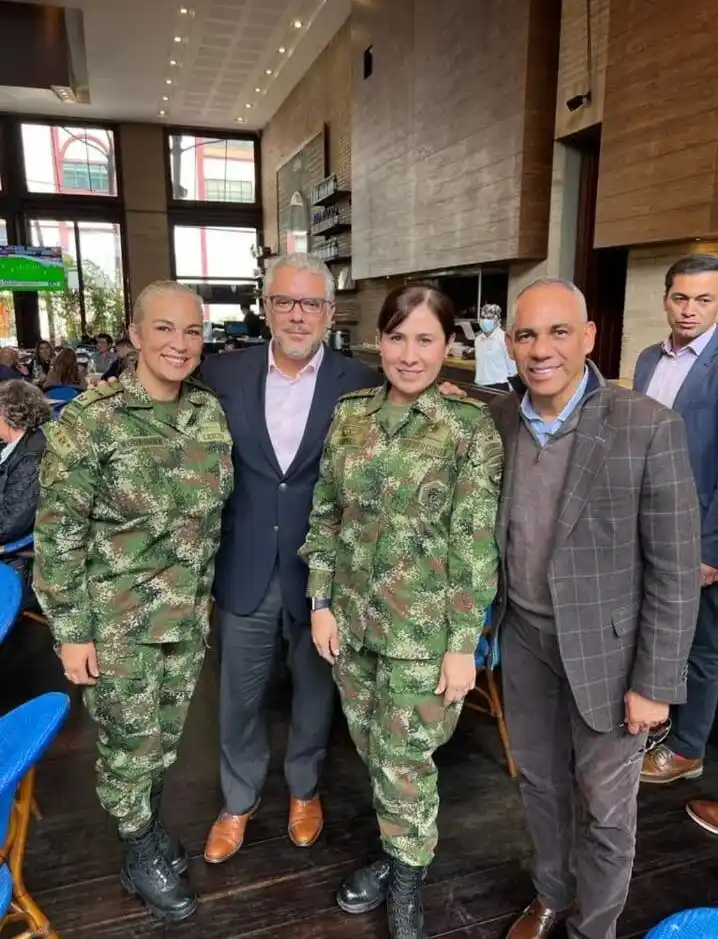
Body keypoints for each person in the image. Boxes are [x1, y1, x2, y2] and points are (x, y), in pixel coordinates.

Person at [490, 278, 701, 939]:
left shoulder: (647, 426)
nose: (541, 349)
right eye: (527, 335)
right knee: (539, 784)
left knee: (607, 809)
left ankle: (595, 928)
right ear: (509, 345)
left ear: (588, 337)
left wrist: (655, 683)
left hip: (612, 655)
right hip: (525, 638)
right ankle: (551, 893)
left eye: (559, 332)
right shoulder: (499, 420)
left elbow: (675, 569)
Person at [300, 284, 502, 939]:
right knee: (373, 750)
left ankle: (408, 884)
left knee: (405, 761)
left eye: (425, 339)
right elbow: (326, 514)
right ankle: (396, 855)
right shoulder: (351, 414)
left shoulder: (467, 426)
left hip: (424, 633)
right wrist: (321, 601)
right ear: (378, 341)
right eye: (397, 338)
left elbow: (475, 544)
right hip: (352, 624)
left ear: (446, 346)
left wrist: (462, 644)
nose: (409, 354)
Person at [33, 280, 234, 923]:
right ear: (136, 334)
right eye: (165, 329)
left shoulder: (208, 413)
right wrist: (71, 631)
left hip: (186, 617)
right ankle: (137, 850)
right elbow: (58, 534)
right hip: (118, 623)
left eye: (192, 331)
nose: (180, 344)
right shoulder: (90, 422)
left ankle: (145, 825)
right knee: (129, 745)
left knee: (163, 740)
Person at [199, 253, 383, 864]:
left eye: (310, 304)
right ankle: (238, 799)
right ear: (266, 307)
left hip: (324, 574)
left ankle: (304, 789)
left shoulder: (362, 382)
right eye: (285, 301)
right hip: (246, 565)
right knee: (238, 697)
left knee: (315, 693)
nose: (297, 315)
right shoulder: (222, 374)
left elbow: (414, 411)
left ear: (330, 313)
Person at [633, 253, 718, 788]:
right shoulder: (648, 359)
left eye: (704, 300)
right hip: (650, 525)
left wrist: (711, 549)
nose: (690, 309)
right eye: (681, 298)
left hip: (702, 532)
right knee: (660, 630)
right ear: (665, 300)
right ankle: (659, 723)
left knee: (702, 645)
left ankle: (688, 749)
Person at [0, 380, 51, 596]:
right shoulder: (23, 443)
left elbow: (8, 525)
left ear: (7, 414)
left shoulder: (31, 457)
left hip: (15, 563)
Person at [473, 303, 517, 391]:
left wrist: (511, 388)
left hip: (499, 386)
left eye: (489, 318)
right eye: (483, 317)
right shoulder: (478, 340)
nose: (485, 320)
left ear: (497, 320)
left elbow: (513, 368)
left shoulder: (504, 338)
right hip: (479, 385)